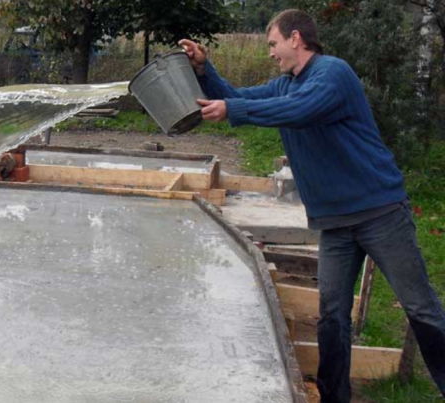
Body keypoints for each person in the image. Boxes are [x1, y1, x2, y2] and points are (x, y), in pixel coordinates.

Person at [178, 8, 445, 403]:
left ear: (296, 39)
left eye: (273, 43)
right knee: (332, 316)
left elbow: (302, 111)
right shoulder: (287, 85)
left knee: (420, 307)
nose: (270, 52)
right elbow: (237, 97)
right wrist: (205, 71)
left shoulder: (332, 74)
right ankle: (335, 397)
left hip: (379, 213)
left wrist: (235, 111)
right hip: (335, 222)